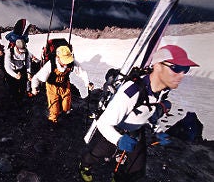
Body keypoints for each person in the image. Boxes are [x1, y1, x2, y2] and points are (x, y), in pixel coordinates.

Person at [79, 45, 199, 182]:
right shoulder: (132, 91)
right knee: (97, 154)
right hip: (117, 129)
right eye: (176, 68)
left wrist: (158, 131)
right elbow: (103, 122)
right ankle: (84, 166)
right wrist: (118, 139)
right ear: (158, 66)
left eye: (185, 70)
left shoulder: (163, 91)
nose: (182, 75)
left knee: (136, 170)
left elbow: (150, 113)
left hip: (136, 131)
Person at [31, 45, 93, 124]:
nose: (66, 63)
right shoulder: (51, 65)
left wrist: (87, 83)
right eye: (65, 60)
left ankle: (64, 117)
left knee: (66, 107)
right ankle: (52, 123)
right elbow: (37, 77)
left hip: (65, 86)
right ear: (58, 58)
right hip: (52, 87)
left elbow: (82, 72)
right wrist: (34, 88)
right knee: (54, 110)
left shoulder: (72, 63)